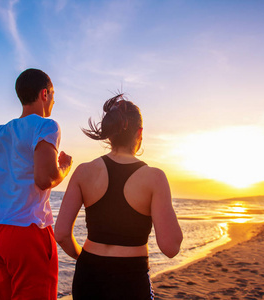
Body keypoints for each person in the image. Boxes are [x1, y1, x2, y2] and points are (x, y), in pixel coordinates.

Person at [54, 94, 183, 299]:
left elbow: (60, 234)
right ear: (140, 133)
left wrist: (85, 257)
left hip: (87, 276)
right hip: (129, 279)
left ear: (110, 134)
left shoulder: (83, 172)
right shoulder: (154, 178)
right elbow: (170, 247)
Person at [0, 68, 72, 300]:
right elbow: (44, 179)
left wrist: (2, 195)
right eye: (53, 95)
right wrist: (65, 168)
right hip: (27, 231)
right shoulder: (46, 126)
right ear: (45, 94)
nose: (53, 101)